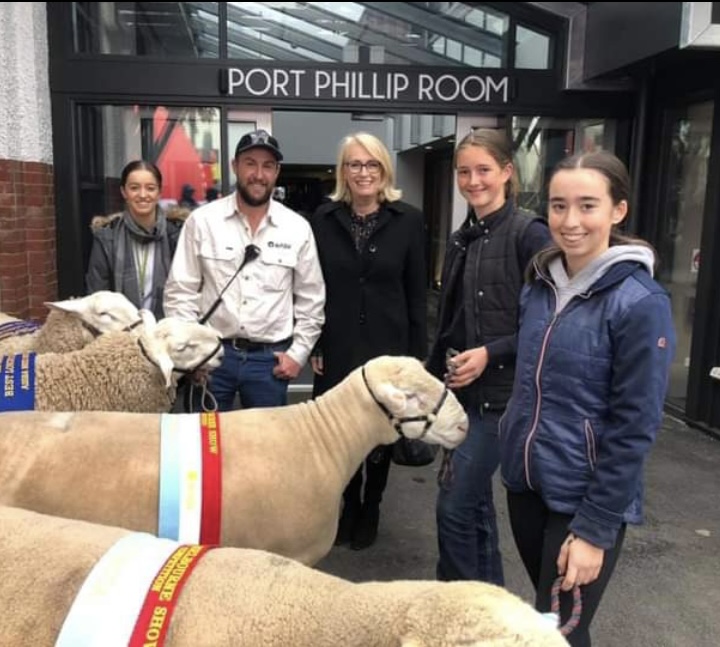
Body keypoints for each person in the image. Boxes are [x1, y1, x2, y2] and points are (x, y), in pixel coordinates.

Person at [499, 150, 675, 646]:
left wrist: (595, 529)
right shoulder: (538, 287)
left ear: (618, 210)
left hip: (583, 499)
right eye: (558, 205)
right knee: (551, 624)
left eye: (587, 205)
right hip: (526, 483)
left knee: (556, 632)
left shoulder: (641, 302)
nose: (569, 221)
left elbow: (635, 426)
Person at [425, 128, 552, 585]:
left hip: (504, 400)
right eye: (464, 171)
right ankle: (487, 602)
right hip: (464, 393)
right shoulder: (464, 236)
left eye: (483, 170)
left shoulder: (529, 233)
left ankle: (460, 606)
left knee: (454, 505)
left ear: (506, 172)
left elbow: (548, 324)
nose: (473, 180)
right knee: (474, 506)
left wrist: (489, 354)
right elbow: (453, 319)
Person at [310, 132, 428, 551]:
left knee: (380, 430)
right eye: (354, 164)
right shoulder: (322, 220)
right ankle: (347, 504)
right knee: (340, 430)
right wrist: (317, 345)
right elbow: (314, 289)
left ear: (384, 171)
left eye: (371, 164)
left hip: (388, 345)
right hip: (338, 343)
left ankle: (371, 505)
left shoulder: (408, 220)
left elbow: (417, 293)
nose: (363, 173)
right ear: (343, 171)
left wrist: (417, 358)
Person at [163, 129, 325, 411]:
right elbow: (180, 291)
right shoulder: (203, 222)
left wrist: (297, 354)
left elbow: (312, 299)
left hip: (270, 363)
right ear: (235, 166)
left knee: (265, 451)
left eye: (267, 166)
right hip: (212, 358)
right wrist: (193, 353)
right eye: (250, 163)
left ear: (277, 172)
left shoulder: (297, 228)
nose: (258, 174)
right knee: (207, 447)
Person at [85, 160, 185, 320]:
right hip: (120, 331)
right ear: (124, 192)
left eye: (150, 188)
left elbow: (186, 291)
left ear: (159, 192)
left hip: (167, 330)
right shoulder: (106, 237)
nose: (143, 195)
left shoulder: (177, 235)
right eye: (134, 188)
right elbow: (97, 296)